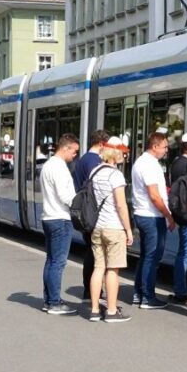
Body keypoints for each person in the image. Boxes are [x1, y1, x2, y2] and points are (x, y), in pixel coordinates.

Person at [88, 138, 135, 323]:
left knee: (98, 267)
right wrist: (129, 230)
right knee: (113, 270)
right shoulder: (115, 175)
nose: (125, 155)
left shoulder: (95, 171)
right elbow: (121, 206)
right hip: (114, 227)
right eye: (123, 152)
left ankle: (93, 310)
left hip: (97, 227)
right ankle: (112, 311)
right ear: (115, 154)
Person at [131, 132, 176, 309]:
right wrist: (168, 216)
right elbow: (154, 195)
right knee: (152, 257)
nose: (166, 151)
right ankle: (148, 297)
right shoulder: (149, 164)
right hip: (151, 216)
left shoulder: (141, 162)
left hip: (144, 215)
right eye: (165, 147)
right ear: (155, 146)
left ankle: (139, 293)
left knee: (145, 256)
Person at [38, 133, 80, 316]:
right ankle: (54, 302)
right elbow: (66, 196)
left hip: (48, 216)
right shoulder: (60, 168)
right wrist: (80, 203)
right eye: (74, 151)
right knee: (58, 263)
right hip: (60, 218)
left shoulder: (48, 165)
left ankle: (49, 299)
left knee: (50, 261)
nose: (75, 155)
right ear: (65, 147)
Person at [73, 129, 110, 302]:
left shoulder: (82, 160)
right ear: (102, 144)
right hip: (93, 213)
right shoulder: (95, 161)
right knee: (95, 255)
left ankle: (89, 289)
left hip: (86, 211)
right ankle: (91, 291)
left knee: (91, 252)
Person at [168, 131, 187, 306]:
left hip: (181, 213)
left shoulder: (177, 163)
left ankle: (182, 289)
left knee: (184, 251)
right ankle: (182, 290)